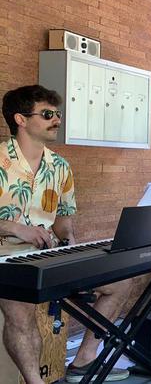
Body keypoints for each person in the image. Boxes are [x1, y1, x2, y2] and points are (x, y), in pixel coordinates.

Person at [0, 85, 132, 383]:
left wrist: (70, 243)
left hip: (47, 255)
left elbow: (62, 220)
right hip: (5, 259)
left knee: (121, 283)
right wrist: (14, 227)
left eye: (57, 113)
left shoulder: (60, 166)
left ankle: (84, 360)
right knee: (20, 312)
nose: (56, 120)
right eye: (47, 114)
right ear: (20, 119)